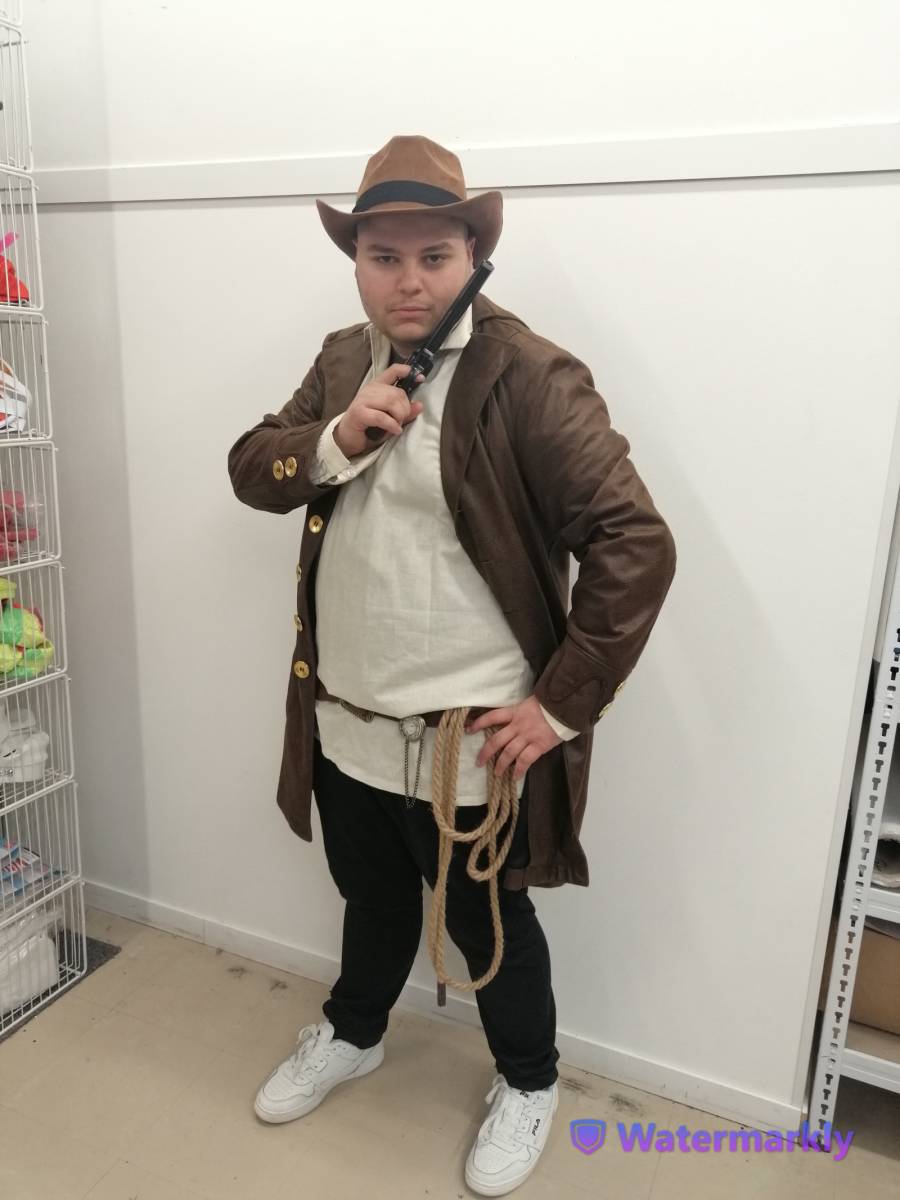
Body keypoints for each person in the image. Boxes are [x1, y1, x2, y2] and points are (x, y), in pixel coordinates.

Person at [227, 134, 676, 1197]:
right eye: (383, 256)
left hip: (467, 746)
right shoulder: (343, 357)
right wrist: (336, 438)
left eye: (434, 255)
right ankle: (355, 1031)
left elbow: (635, 543)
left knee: (486, 922)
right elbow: (254, 468)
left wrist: (559, 708)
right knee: (371, 896)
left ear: (474, 254)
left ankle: (529, 1079)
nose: (409, 281)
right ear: (356, 262)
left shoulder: (530, 374)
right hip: (347, 718)